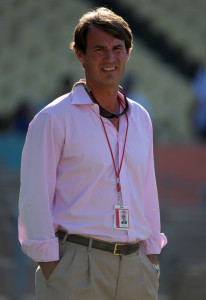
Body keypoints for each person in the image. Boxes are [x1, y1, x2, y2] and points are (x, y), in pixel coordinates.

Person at [18, 7, 167, 300]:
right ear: (81, 56)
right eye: (99, 49)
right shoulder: (53, 119)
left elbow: (148, 193)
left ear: (127, 54)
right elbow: (34, 199)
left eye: (117, 49)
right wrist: (52, 267)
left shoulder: (141, 118)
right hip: (76, 267)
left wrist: (151, 259)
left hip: (137, 269)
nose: (110, 58)